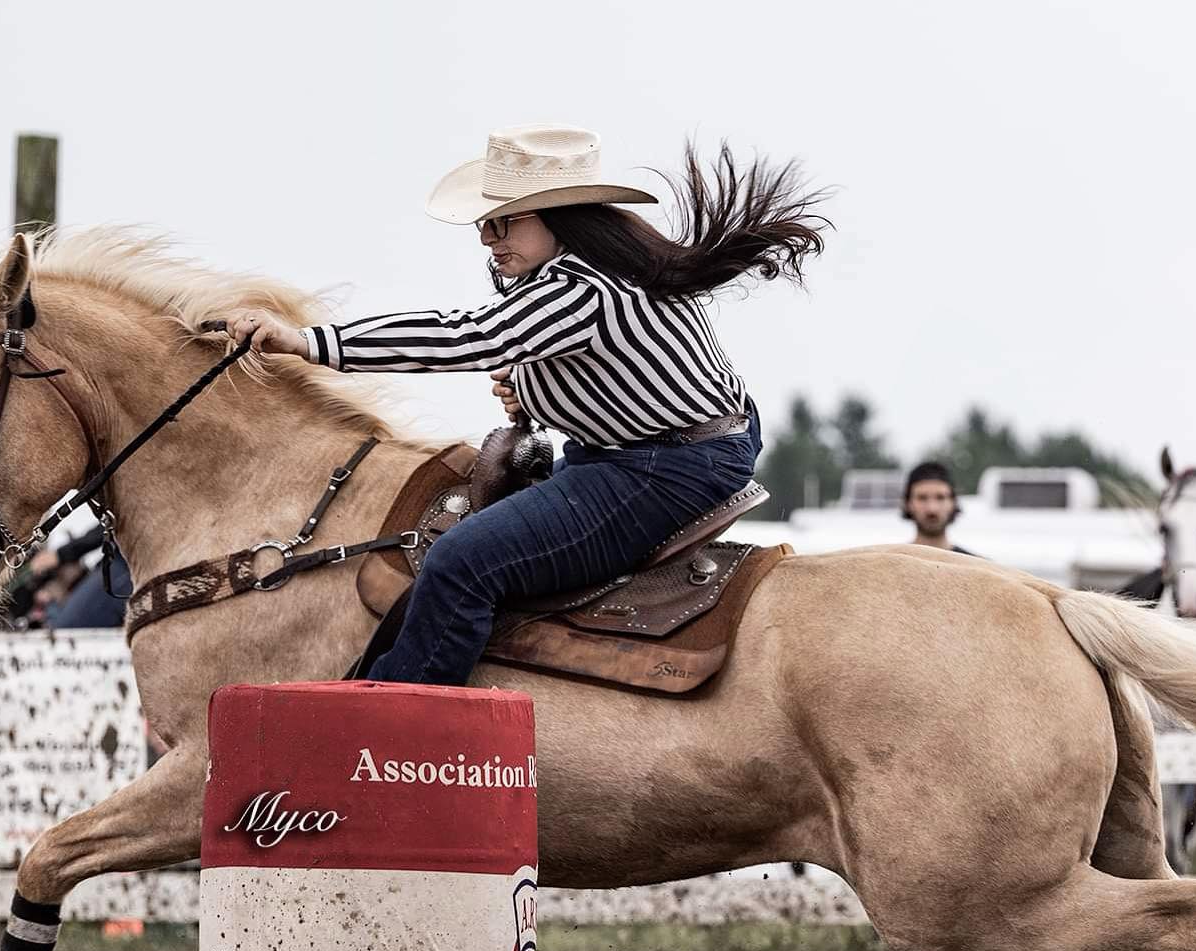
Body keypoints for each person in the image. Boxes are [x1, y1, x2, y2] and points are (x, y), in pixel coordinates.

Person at [226, 124, 826, 687]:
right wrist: (536, 388)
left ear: (558, 218)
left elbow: (469, 336)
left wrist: (308, 342)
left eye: (504, 222)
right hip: (672, 449)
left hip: (660, 467)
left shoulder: (580, 286)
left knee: (462, 562)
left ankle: (396, 727)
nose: (487, 238)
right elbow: (603, 371)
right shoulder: (611, 270)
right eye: (485, 224)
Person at [901, 461, 976, 556]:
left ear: (953, 502)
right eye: (922, 498)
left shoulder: (975, 564)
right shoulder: (891, 563)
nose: (932, 509)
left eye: (940, 497)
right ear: (908, 503)